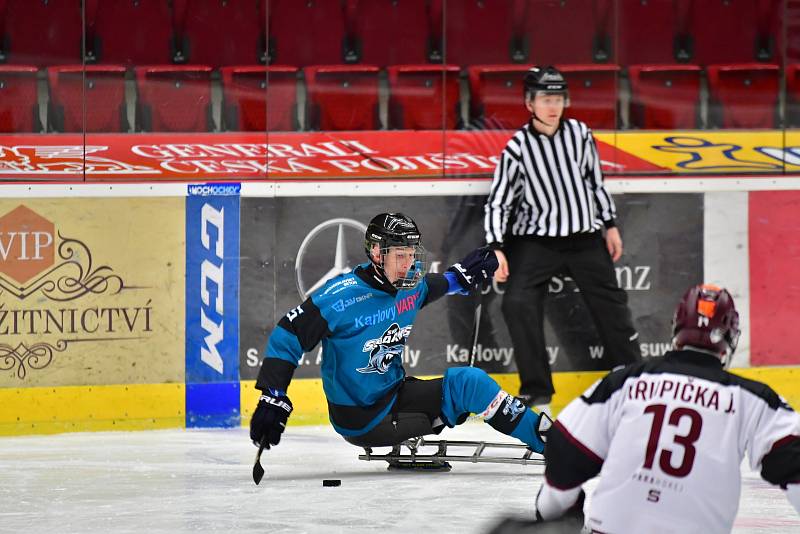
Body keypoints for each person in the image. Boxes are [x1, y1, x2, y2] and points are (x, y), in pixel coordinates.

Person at [491, 284, 800, 533]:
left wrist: (558, 518)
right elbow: (794, 467)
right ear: (730, 339)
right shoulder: (755, 399)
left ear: (676, 328)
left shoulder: (625, 382)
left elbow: (565, 449)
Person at [249, 212, 552, 457]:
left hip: (393, 397)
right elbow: (288, 334)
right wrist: (273, 396)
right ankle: (547, 441)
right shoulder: (341, 297)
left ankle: (544, 434)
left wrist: (466, 274)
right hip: (361, 417)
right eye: (400, 256)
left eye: (411, 255)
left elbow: (444, 283)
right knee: (469, 384)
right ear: (378, 254)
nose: (408, 265)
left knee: (467, 382)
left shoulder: (411, 287)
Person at [484, 65, 640, 413]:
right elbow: (499, 200)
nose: (553, 106)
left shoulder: (581, 134)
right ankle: (537, 388)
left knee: (611, 303)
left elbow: (595, 182)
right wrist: (496, 247)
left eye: (557, 99)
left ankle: (631, 375)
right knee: (517, 303)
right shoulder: (517, 149)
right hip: (537, 241)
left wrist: (609, 224)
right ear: (530, 103)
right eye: (545, 99)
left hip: (585, 237)